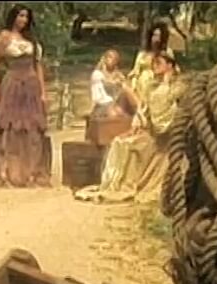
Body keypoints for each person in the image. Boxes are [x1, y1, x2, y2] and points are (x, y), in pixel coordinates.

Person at [74, 52, 184, 204]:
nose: (154, 66)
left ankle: (133, 182)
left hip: (165, 136)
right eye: (153, 63)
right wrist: (137, 125)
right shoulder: (152, 86)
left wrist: (166, 84)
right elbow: (145, 110)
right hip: (150, 130)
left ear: (169, 65)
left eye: (159, 63)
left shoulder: (177, 86)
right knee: (120, 142)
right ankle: (118, 184)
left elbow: (170, 113)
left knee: (132, 145)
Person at [0, 4, 51, 188]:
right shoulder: (5, 36)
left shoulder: (31, 39)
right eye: (20, 15)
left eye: (26, 16)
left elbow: (38, 66)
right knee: (11, 127)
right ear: (13, 17)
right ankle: (8, 172)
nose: (23, 19)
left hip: (31, 83)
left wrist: (43, 92)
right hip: (13, 83)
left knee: (32, 127)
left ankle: (32, 172)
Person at [127, 22, 175, 99]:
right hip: (142, 83)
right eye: (155, 35)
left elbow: (172, 69)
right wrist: (133, 84)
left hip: (159, 82)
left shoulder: (167, 52)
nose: (157, 39)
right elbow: (136, 72)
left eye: (159, 36)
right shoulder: (142, 54)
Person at [90, 49, 137, 118]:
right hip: (102, 104)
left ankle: (138, 110)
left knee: (126, 91)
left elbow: (125, 87)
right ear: (105, 59)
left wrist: (123, 81)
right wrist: (115, 82)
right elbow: (105, 84)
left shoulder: (118, 74)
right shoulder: (97, 74)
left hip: (114, 104)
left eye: (115, 59)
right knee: (115, 113)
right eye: (110, 57)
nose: (113, 61)